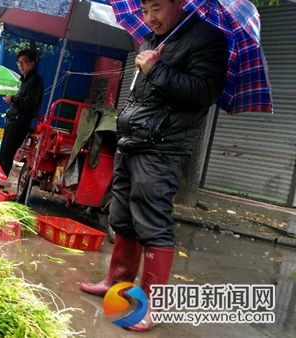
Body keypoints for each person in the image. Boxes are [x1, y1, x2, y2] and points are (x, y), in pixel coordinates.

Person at [79, 0, 228, 331]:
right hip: (132, 141)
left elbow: (204, 92)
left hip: (162, 147)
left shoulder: (207, 39)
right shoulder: (152, 40)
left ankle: (151, 305)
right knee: (122, 217)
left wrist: (156, 70)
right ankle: (117, 281)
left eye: (156, 8)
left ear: (178, 4)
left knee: (152, 221)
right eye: (145, 10)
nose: (149, 18)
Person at [0, 49, 44, 176]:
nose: (21, 66)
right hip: (13, 121)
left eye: (24, 62)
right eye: (19, 63)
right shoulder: (25, 80)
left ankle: (1, 180)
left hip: (20, 123)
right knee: (3, 152)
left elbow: (30, 103)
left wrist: (13, 99)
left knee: (7, 153)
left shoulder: (35, 81)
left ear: (32, 63)